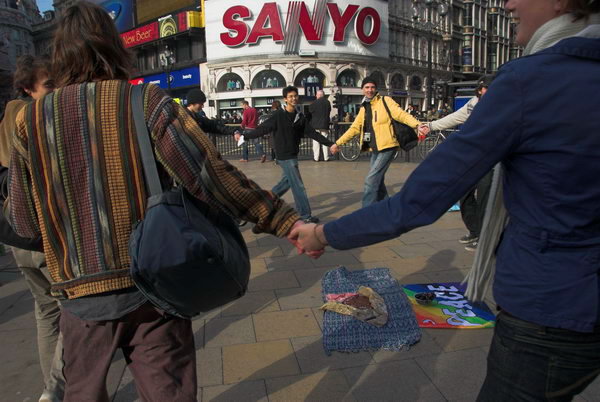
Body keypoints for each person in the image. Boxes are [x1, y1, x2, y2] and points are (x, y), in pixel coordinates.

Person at [291, 0, 600, 399]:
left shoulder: (533, 80)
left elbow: (420, 200)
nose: (508, 3)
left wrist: (323, 233)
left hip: (552, 304)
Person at [7, 3, 312, 400]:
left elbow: (24, 223)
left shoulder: (28, 122)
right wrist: (282, 219)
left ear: (59, 56)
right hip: (153, 286)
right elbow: (208, 175)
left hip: (81, 299)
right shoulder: (144, 101)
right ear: (114, 47)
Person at [0, 54, 65, 402]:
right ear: (28, 88)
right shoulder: (37, 118)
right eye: (50, 85)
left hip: (15, 237)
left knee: (47, 314)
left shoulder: (6, 119)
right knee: (74, 313)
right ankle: (57, 389)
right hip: (43, 236)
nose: (56, 91)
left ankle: (51, 392)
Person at [238, 86, 334, 223]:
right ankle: (305, 216)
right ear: (285, 99)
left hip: (293, 154)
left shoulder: (299, 116)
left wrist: (330, 143)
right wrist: (245, 136)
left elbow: (312, 133)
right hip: (284, 156)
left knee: (285, 184)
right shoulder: (278, 115)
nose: (293, 98)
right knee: (298, 186)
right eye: (290, 96)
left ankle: (258, 206)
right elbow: (263, 128)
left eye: (295, 96)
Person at [330, 77, 428, 207]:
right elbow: (355, 128)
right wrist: (338, 143)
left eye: (372, 87)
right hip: (374, 148)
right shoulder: (364, 108)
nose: (370, 90)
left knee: (371, 180)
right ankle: (387, 208)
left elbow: (401, 114)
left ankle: (365, 214)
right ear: (362, 90)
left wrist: (418, 125)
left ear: (376, 89)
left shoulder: (385, 101)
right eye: (367, 87)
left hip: (388, 146)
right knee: (378, 180)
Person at [426, 76, 494, 251]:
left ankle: (485, 237)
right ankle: (475, 230)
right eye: (484, 88)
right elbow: (456, 117)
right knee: (464, 194)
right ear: (479, 90)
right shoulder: (473, 103)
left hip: (491, 160)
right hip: (471, 158)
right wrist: (430, 126)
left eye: (490, 87)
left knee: (485, 197)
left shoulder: (502, 105)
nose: (486, 91)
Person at [308, 90, 331, 162]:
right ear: (323, 95)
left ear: (317, 95)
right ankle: (326, 157)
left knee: (316, 142)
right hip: (324, 125)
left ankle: (316, 158)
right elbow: (329, 111)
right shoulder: (327, 103)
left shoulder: (314, 103)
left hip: (315, 125)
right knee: (324, 141)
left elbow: (310, 111)